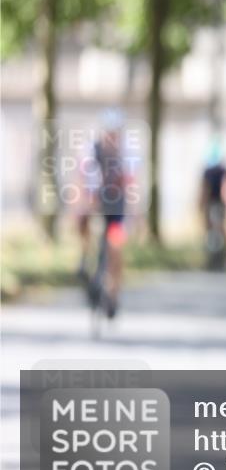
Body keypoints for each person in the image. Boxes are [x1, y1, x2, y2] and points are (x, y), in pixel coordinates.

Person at [85, 108, 132, 318]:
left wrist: (136, 214)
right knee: (87, 230)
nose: (111, 137)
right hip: (97, 206)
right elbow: (83, 178)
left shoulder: (126, 154)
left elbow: (132, 185)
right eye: (108, 133)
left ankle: (113, 294)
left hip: (117, 211)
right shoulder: (92, 151)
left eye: (115, 133)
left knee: (116, 248)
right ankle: (86, 267)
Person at [200, 140, 226, 269]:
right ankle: (216, 257)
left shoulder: (213, 170)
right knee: (215, 229)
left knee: (216, 229)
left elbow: (206, 189)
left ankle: (219, 257)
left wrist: (201, 203)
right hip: (214, 203)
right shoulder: (219, 170)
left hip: (215, 203)